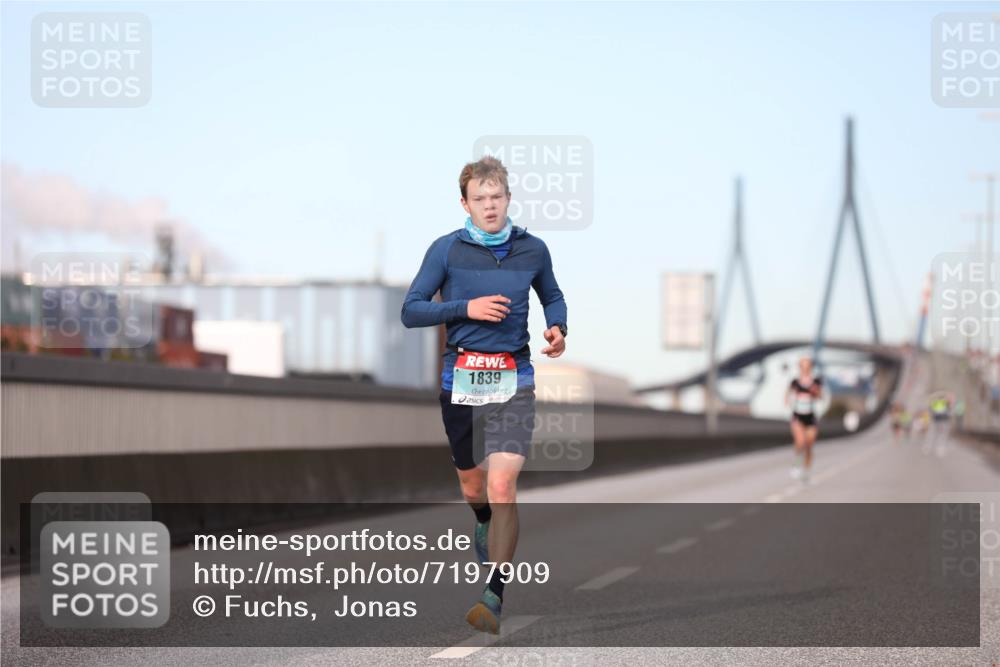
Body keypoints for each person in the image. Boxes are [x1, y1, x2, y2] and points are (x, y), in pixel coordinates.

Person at [401, 155, 567, 635]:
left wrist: (558, 327)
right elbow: (411, 311)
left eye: (497, 198)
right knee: (475, 489)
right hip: (462, 382)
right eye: (480, 200)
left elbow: (551, 295)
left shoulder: (532, 249)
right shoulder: (446, 251)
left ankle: (493, 593)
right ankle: (480, 519)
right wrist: (465, 307)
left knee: (502, 486)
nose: (490, 206)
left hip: (514, 379)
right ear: (465, 204)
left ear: (508, 199)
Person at [785, 356, 823, 483]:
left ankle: (806, 472)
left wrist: (815, 392)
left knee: (809, 446)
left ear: (811, 367)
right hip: (797, 415)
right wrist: (787, 400)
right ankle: (796, 464)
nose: (805, 369)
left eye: (807, 366)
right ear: (799, 367)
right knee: (800, 441)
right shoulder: (795, 382)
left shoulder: (816, 381)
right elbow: (787, 394)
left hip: (810, 416)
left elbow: (820, 396)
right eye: (802, 366)